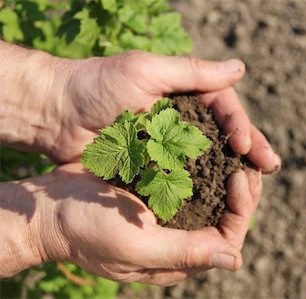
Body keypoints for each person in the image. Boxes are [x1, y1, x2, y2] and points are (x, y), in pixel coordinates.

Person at [0, 40, 281, 285]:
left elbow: (196, 144)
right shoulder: (142, 144)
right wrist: (44, 229)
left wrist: (55, 96)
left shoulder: (171, 143)